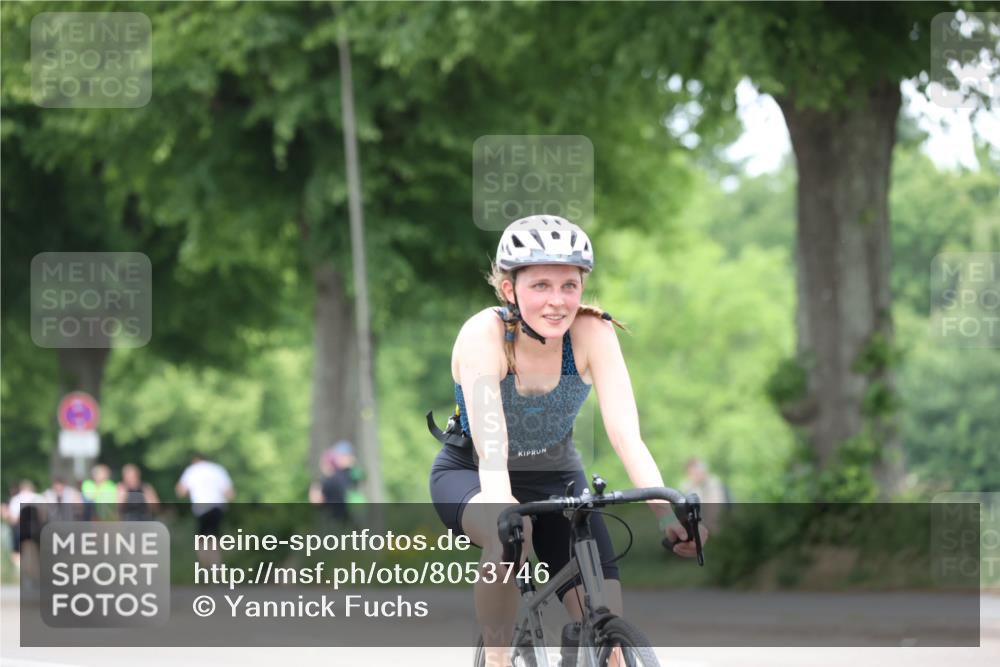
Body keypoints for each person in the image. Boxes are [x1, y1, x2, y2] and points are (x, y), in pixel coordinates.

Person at [428, 215, 709, 667]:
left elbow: (626, 435)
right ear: (510, 290)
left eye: (569, 286)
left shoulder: (593, 333)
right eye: (541, 285)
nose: (557, 301)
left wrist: (665, 514)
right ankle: (497, 659)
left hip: (556, 472)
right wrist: (505, 514)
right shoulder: (484, 336)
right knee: (511, 537)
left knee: (608, 633)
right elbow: (492, 450)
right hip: (473, 472)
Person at [176, 454, 234, 566]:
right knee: (214, 537)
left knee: (201, 539)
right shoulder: (218, 469)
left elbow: (180, 491)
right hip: (218, 507)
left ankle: (205, 566)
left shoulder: (192, 470)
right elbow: (230, 493)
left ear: (195, 460)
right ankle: (216, 566)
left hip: (201, 508)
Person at [6, 480, 44, 583]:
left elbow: (13, 519)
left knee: (17, 552)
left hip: (21, 531)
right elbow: (44, 516)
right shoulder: (39, 498)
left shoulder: (16, 499)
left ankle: (19, 573)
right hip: (36, 532)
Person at [681, 457, 730, 531]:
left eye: (697, 471)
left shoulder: (716, 486)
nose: (695, 475)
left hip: (716, 529)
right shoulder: (687, 489)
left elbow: (717, 511)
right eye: (692, 473)